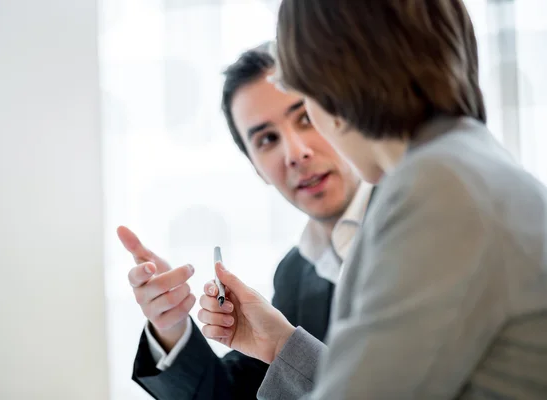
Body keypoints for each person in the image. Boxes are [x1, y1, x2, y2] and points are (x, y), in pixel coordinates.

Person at [199, 1, 547, 399]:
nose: (297, 150)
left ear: (333, 83)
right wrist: (281, 346)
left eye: (303, 101)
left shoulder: (436, 189)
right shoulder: (463, 164)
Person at [117, 42, 374, 399]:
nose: (295, 153)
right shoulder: (295, 273)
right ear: (257, 168)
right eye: (267, 139)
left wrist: (287, 345)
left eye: (305, 118)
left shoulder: (420, 226)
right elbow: (237, 394)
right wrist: (172, 328)